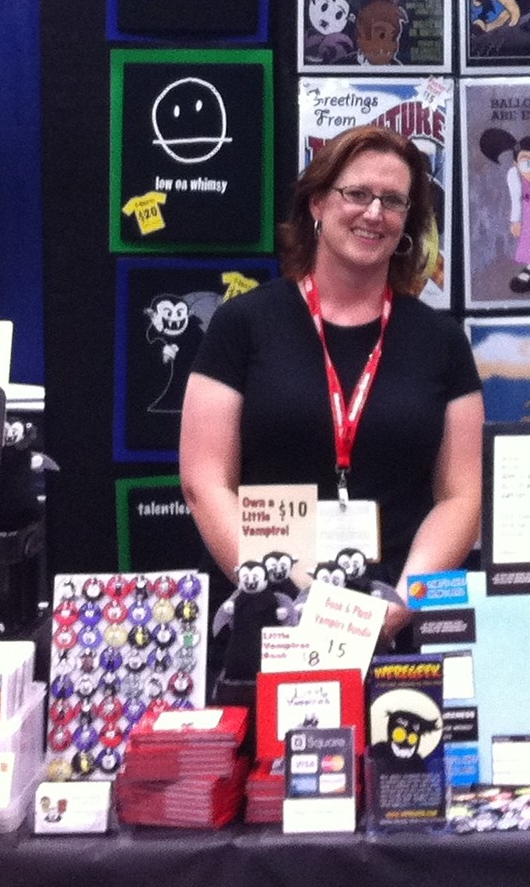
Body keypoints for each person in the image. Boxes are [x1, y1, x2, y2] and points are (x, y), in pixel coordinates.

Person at [180, 125, 483, 645]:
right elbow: (205, 483)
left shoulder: (441, 340)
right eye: (357, 194)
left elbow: (462, 497)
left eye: (393, 201)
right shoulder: (242, 324)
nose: (374, 213)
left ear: (409, 220)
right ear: (317, 203)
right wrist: (294, 594)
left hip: (395, 619)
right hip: (270, 609)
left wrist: (404, 604)